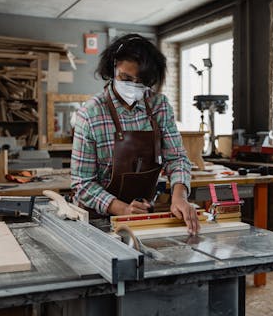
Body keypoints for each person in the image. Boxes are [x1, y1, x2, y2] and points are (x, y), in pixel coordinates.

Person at [71, 33, 199, 235]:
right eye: (125, 78)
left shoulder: (160, 106)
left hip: (142, 216)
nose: (132, 86)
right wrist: (121, 209)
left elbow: (177, 158)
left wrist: (180, 196)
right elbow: (82, 183)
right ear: (113, 68)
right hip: (96, 220)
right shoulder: (90, 114)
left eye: (140, 82)